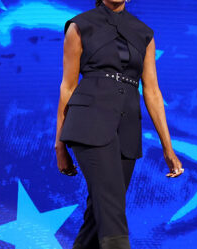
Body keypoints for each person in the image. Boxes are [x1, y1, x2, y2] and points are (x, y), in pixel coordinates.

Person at [54, 0, 184, 248]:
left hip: (127, 129)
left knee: (101, 210)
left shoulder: (144, 32)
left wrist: (168, 147)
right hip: (88, 122)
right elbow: (68, 86)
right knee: (112, 206)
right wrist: (60, 145)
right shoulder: (80, 26)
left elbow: (153, 91)